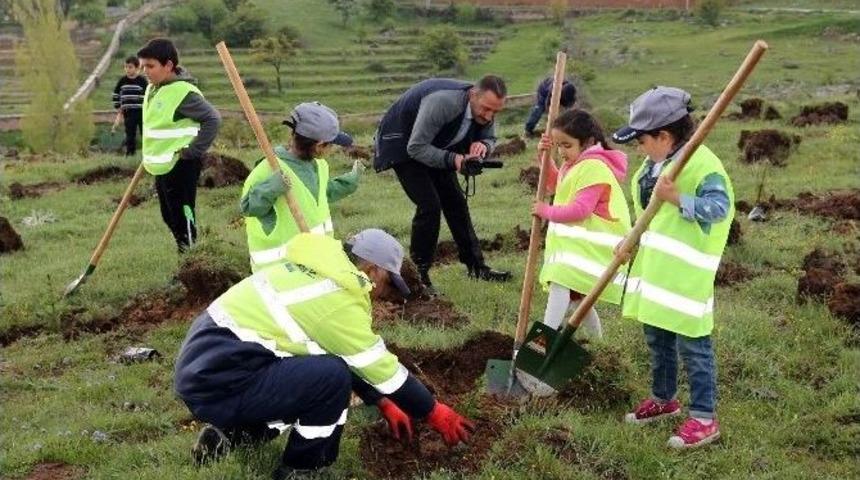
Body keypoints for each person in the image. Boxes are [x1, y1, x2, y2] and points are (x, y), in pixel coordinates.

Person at [174, 229, 475, 479]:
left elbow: (333, 350)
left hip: (210, 366)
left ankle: (230, 437)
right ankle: (302, 468)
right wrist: (434, 411)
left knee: (315, 373)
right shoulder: (337, 298)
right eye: (387, 283)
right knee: (330, 380)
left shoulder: (318, 268)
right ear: (372, 270)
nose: (383, 294)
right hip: (220, 378)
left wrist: (379, 400)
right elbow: (385, 372)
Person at [612, 86, 734, 449]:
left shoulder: (702, 163)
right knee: (658, 342)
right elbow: (650, 217)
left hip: (685, 279)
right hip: (655, 276)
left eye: (642, 140)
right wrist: (630, 241)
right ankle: (664, 400)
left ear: (664, 136)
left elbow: (719, 208)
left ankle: (703, 418)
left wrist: (678, 198)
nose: (638, 148)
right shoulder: (653, 165)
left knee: (694, 348)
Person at [374, 76, 512, 294]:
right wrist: (454, 160)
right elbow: (416, 148)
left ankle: (477, 268)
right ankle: (419, 277)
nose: (489, 116)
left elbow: (489, 137)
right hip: (404, 146)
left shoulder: (485, 108)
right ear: (473, 95)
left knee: (456, 203)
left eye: (495, 112)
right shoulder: (443, 103)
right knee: (430, 205)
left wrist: (482, 145)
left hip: (435, 146)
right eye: (486, 109)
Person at [533, 109, 631, 339]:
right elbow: (559, 187)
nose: (561, 151)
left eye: (566, 145)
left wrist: (545, 210)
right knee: (579, 301)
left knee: (560, 286)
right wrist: (544, 158)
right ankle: (599, 344)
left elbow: (580, 210)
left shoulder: (593, 167)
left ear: (587, 142)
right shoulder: (577, 165)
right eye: (558, 145)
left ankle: (543, 343)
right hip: (578, 251)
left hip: (594, 251)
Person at [240, 101, 362, 272]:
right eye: (331, 144)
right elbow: (249, 207)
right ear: (319, 145)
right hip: (279, 270)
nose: (332, 149)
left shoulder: (319, 166)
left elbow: (317, 196)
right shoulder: (269, 168)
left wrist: (349, 182)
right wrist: (271, 187)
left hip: (314, 261)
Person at [137, 38, 221, 252]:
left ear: (168, 66)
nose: (145, 71)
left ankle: (191, 262)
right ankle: (186, 258)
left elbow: (213, 119)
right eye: (143, 66)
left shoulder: (184, 93)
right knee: (169, 215)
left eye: (150, 66)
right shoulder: (154, 88)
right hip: (163, 164)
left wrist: (192, 151)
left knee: (183, 217)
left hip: (182, 164)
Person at [111, 56, 148, 156]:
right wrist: (118, 106)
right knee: (130, 134)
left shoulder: (142, 81)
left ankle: (148, 153)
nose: (127, 69)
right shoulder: (122, 81)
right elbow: (115, 94)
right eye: (126, 67)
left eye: (130, 67)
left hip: (141, 112)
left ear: (137, 68)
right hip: (128, 112)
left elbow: (148, 95)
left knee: (144, 133)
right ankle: (130, 153)